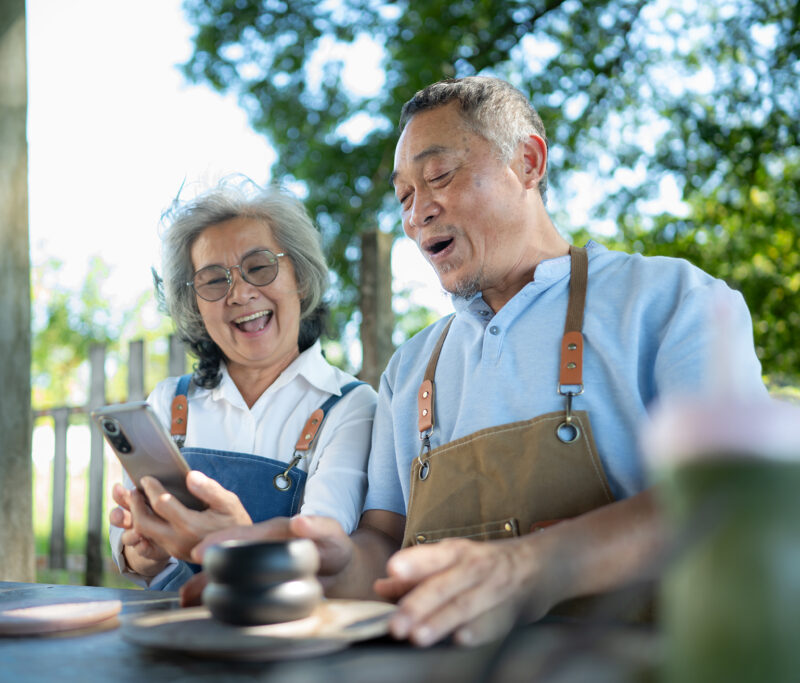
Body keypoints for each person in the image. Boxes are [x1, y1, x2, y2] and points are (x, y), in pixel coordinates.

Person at [188, 76, 768, 645]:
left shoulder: (673, 301)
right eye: (404, 197)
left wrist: (528, 566)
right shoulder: (409, 369)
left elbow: (733, 496)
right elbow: (383, 544)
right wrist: (327, 570)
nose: (417, 214)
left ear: (528, 163)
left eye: (439, 175)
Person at [108, 177, 378, 590]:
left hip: (285, 624)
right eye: (214, 280)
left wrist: (237, 540)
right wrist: (143, 552)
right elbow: (131, 550)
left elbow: (323, 549)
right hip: (174, 623)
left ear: (301, 278)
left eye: (259, 267)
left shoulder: (350, 407)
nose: (239, 293)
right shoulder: (168, 401)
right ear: (195, 305)